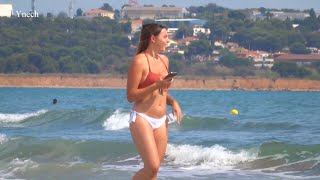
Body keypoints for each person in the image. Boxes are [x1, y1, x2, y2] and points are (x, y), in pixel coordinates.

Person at [126, 23, 182, 180]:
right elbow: (131, 96)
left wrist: (173, 102)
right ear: (153, 38)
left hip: (161, 120)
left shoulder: (165, 60)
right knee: (152, 166)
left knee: (154, 172)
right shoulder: (139, 61)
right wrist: (156, 85)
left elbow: (161, 92)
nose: (168, 40)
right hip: (142, 118)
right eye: (165, 37)